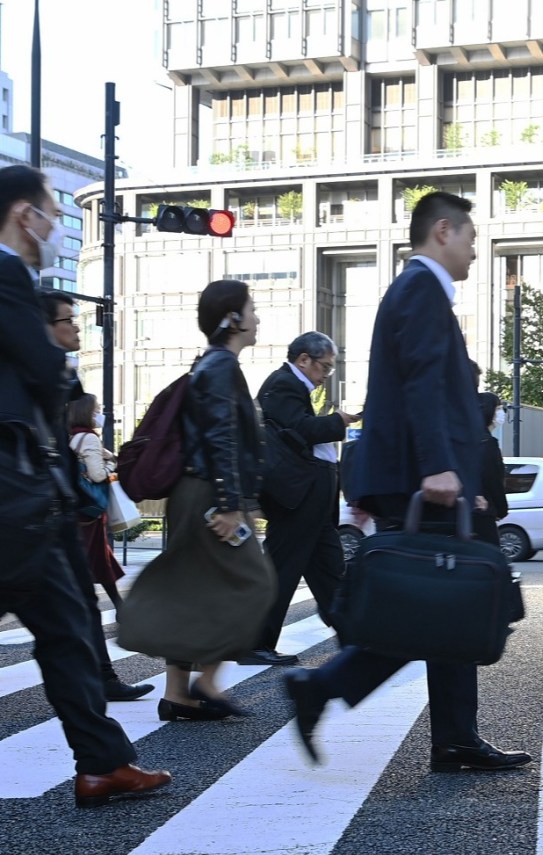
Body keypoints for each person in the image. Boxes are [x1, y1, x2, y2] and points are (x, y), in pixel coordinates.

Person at [282, 191, 531, 772]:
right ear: (442, 231)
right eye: (470, 237)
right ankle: (325, 690)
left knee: (443, 600)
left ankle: (453, 738)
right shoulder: (421, 290)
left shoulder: (416, 291)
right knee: (442, 602)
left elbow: (432, 394)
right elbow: (423, 383)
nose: (475, 250)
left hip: (417, 471)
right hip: (419, 473)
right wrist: (439, 467)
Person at [0, 163, 170, 805]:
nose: (57, 228)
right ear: (25, 215)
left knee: (68, 627)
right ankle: (102, 762)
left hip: (24, 494)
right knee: (66, 627)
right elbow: (44, 373)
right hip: (14, 493)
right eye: (53, 213)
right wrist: (58, 364)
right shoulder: (7, 273)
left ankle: (103, 762)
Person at [124, 279, 277, 722]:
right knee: (255, 581)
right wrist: (232, 503)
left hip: (196, 491)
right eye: (251, 309)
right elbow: (221, 438)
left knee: (193, 588)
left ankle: (179, 696)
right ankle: (207, 681)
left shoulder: (206, 365)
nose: (257, 317)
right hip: (212, 495)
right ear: (232, 319)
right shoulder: (222, 367)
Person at [42, 292, 152, 702]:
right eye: (67, 320)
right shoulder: (25, 377)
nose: (76, 327)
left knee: (79, 606)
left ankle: (101, 686)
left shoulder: (63, 376)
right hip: (38, 515)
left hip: (61, 514)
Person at [245, 331, 357, 665]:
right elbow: (301, 428)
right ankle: (253, 643)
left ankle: (355, 637)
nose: (325, 375)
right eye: (324, 367)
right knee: (281, 570)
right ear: (303, 359)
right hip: (296, 496)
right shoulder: (282, 384)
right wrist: (338, 422)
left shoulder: (294, 387)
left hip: (308, 497)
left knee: (329, 569)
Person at [66, 393, 127, 611]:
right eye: (96, 410)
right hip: (90, 510)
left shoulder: (70, 436)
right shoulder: (89, 438)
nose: (99, 414)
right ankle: (112, 607)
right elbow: (98, 475)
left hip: (76, 508)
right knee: (93, 559)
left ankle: (119, 606)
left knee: (98, 558)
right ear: (86, 413)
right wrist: (113, 467)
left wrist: (107, 454)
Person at [474, 392, 508, 547]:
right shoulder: (488, 444)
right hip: (483, 512)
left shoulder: (469, 439)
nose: (502, 413)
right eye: (499, 408)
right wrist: (501, 509)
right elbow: (493, 480)